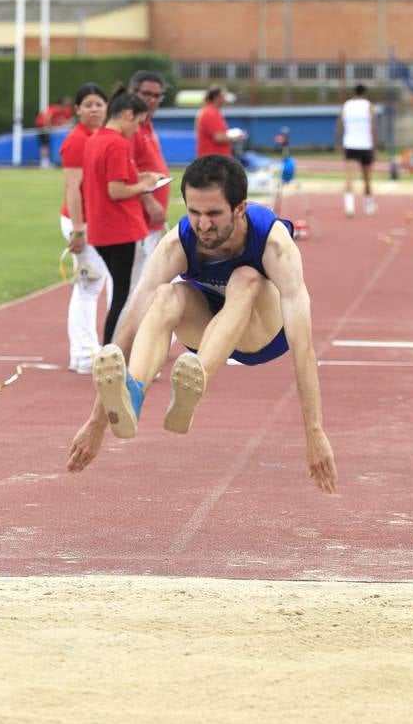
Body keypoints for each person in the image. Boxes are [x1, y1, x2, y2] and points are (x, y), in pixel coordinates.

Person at [66, 154, 338, 494]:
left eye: (213, 214)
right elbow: (132, 322)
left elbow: (303, 347)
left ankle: (197, 377)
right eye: (194, 212)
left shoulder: (274, 245)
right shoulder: (178, 243)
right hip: (206, 330)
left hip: (262, 334)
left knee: (246, 276)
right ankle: (133, 392)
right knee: (165, 295)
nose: (203, 225)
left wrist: (314, 430)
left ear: (240, 208)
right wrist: (97, 422)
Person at [82, 85, 164, 347]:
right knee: (126, 297)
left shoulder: (96, 138)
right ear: (128, 115)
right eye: (138, 123)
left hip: (103, 228)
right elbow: (116, 190)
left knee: (122, 294)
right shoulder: (117, 143)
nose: (138, 130)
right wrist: (145, 186)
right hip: (120, 230)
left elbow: (111, 180)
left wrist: (141, 179)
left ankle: (114, 351)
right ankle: (114, 352)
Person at [59, 83, 111, 375]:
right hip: (81, 221)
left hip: (94, 221)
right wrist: (78, 230)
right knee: (88, 287)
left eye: (99, 104)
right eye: (88, 104)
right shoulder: (78, 140)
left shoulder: (99, 136)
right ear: (78, 109)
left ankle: (83, 351)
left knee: (91, 285)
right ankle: (83, 353)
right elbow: (73, 188)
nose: (94, 109)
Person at [129, 70, 171, 263]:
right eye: (147, 94)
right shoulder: (131, 127)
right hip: (138, 217)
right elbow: (128, 169)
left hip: (151, 219)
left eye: (157, 96)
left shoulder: (147, 124)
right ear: (133, 92)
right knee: (136, 284)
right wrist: (150, 202)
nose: (152, 100)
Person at [336, 84, 377, 217]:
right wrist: (375, 146)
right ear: (364, 93)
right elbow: (373, 126)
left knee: (349, 178)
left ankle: (349, 207)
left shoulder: (346, 105)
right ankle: (369, 206)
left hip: (350, 144)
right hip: (365, 145)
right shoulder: (368, 105)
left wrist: (338, 142)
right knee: (367, 178)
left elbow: (339, 125)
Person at [195, 85, 246, 157]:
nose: (225, 99)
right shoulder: (210, 113)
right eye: (224, 96)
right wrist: (236, 137)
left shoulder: (211, 112)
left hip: (215, 158)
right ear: (217, 98)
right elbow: (218, 137)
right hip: (213, 159)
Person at [35, 96, 74, 167]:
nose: (68, 105)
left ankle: (50, 161)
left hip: (50, 129)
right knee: (44, 144)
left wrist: (67, 124)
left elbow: (64, 120)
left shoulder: (65, 110)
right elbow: (48, 117)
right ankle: (44, 162)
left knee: (48, 144)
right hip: (42, 127)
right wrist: (47, 126)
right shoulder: (55, 108)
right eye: (66, 103)